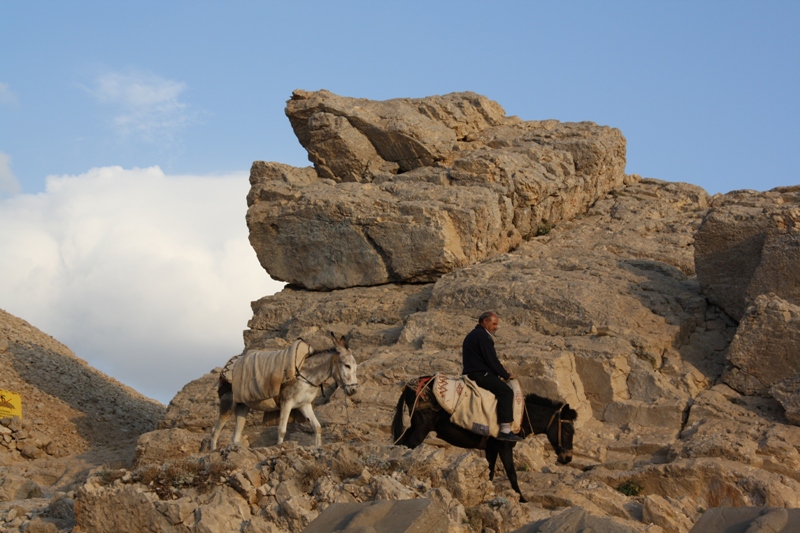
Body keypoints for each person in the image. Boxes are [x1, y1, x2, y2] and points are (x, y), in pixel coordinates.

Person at [462, 311, 522, 442]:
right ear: (485, 322)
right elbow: (491, 360)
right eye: (494, 324)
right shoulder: (483, 336)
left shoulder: (473, 335)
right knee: (506, 392)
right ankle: (505, 430)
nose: (496, 327)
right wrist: (505, 375)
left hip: (472, 372)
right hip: (480, 374)